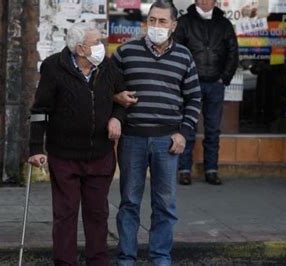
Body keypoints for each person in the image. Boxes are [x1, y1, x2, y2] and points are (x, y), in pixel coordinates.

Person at [111, 1, 201, 265]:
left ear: (174, 25)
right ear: (146, 22)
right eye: (152, 20)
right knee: (129, 202)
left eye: (163, 22)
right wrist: (116, 95)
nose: (157, 26)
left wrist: (184, 133)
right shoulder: (125, 53)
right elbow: (107, 88)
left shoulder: (184, 56)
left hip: (167, 140)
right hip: (132, 139)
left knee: (164, 205)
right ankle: (126, 259)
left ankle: (160, 258)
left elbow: (194, 98)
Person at [28, 22, 125, 265]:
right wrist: (35, 148)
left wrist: (116, 118)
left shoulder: (107, 66)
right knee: (65, 215)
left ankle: (98, 261)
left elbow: (122, 99)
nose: (102, 47)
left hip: (100, 154)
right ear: (81, 49)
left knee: (98, 214)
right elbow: (40, 110)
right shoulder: (53, 67)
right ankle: (64, 262)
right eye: (96, 43)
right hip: (65, 156)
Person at [174, 0, 239, 185]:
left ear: (215, 1)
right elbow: (176, 51)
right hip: (190, 84)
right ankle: (184, 170)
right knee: (188, 127)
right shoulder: (185, 22)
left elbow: (233, 52)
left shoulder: (223, 23)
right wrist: (183, 78)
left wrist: (224, 78)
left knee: (213, 130)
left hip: (215, 84)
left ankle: (212, 169)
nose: (204, 0)